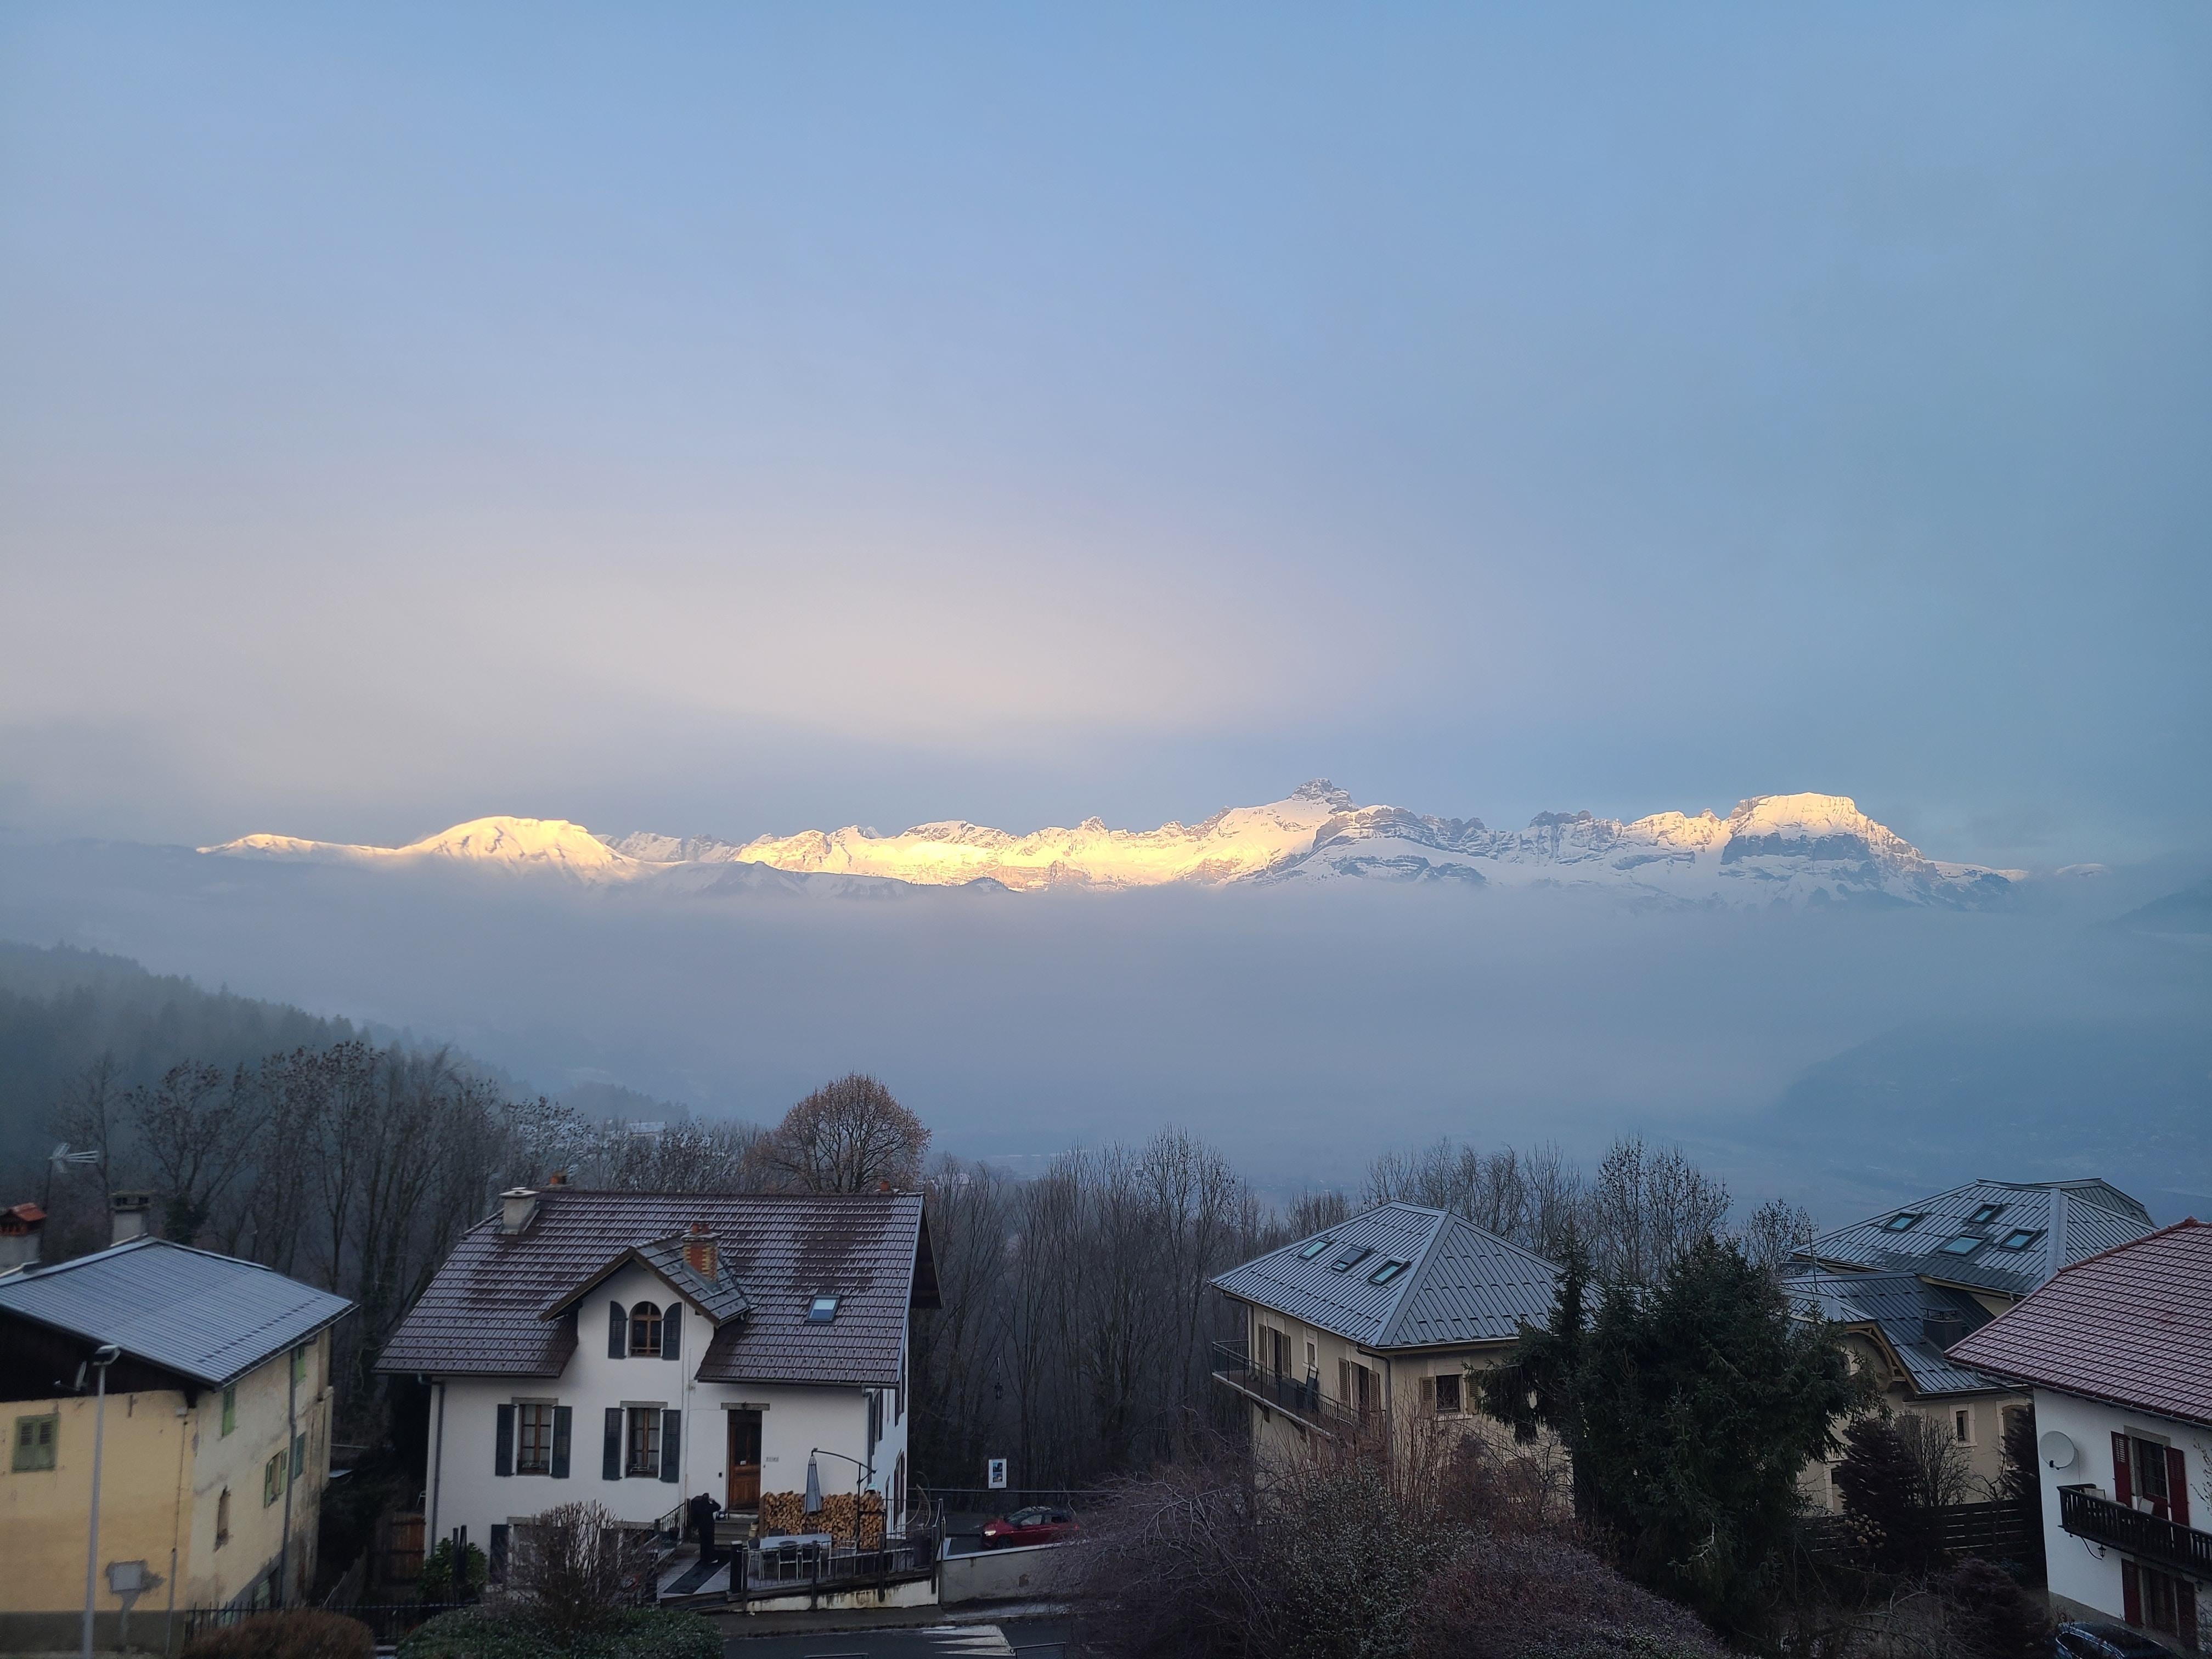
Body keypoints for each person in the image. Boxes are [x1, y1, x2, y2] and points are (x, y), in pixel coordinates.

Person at [687, 1490, 722, 1568]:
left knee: (703, 1544)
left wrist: (696, 1525)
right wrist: (713, 1501)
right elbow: (718, 1507)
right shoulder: (710, 1507)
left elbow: (694, 1517)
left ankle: (703, 1559)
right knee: (710, 1544)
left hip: (702, 1528)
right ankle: (710, 1559)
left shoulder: (698, 1507)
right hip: (709, 1528)